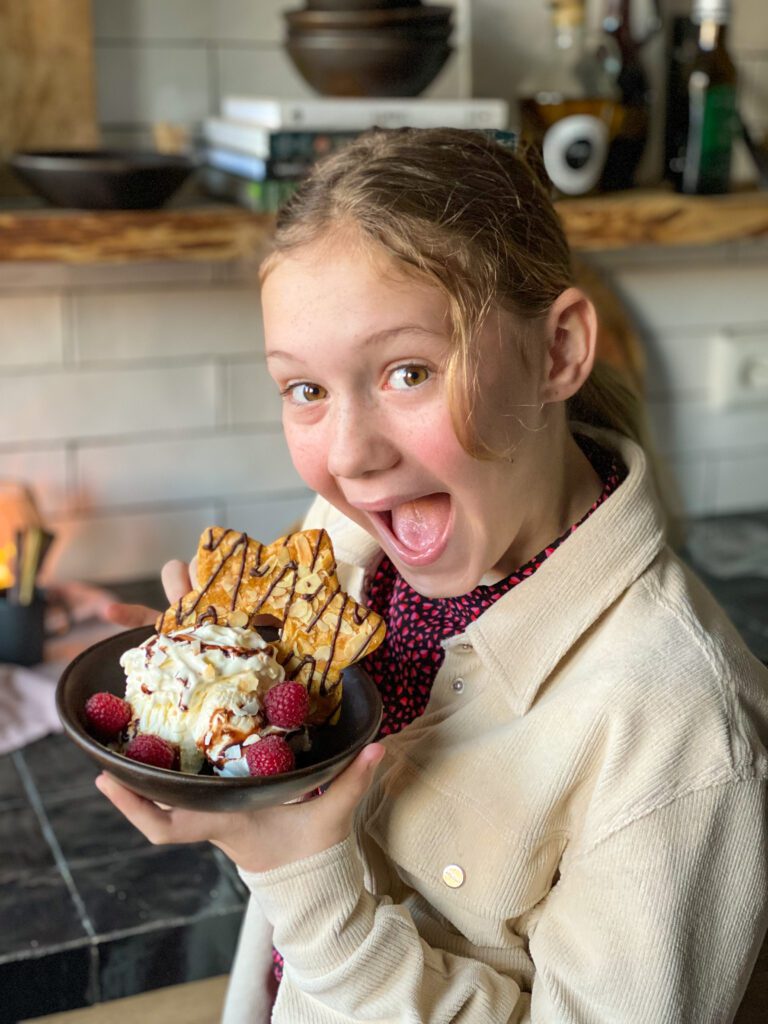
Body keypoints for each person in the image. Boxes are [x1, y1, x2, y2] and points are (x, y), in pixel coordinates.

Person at [100, 128, 768, 1023]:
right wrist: (219, 721)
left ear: (561, 350)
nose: (349, 456)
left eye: (408, 372)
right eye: (305, 390)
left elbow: (314, 900)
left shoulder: (679, 731)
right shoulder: (344, 540)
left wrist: (305, 885)